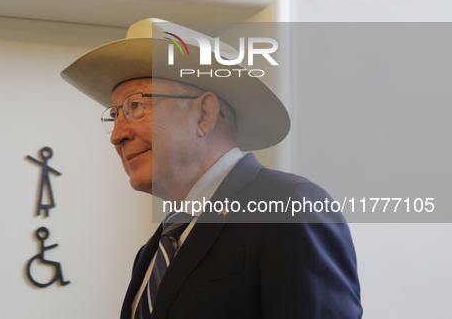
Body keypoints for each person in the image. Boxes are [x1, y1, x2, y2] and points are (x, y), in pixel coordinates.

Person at [61, 19, 362, 318]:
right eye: (114, 114)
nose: (117, 134)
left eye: (136, 106)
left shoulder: (288, 207)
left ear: (204, 114)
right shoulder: (152, 252)